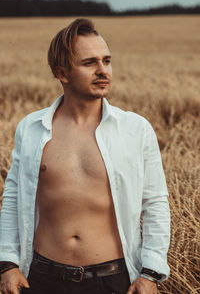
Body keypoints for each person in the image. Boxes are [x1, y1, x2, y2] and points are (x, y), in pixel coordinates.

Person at [0, 18, 170, 294]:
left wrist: (151, 272)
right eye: (90, 63)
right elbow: (14, 196)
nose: (103, 71)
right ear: (62, 73)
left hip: (112, 280)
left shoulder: (135, 130)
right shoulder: (31, 128)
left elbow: (156, 203)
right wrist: (7, 264)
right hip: (41, 278)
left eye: (107, 60)